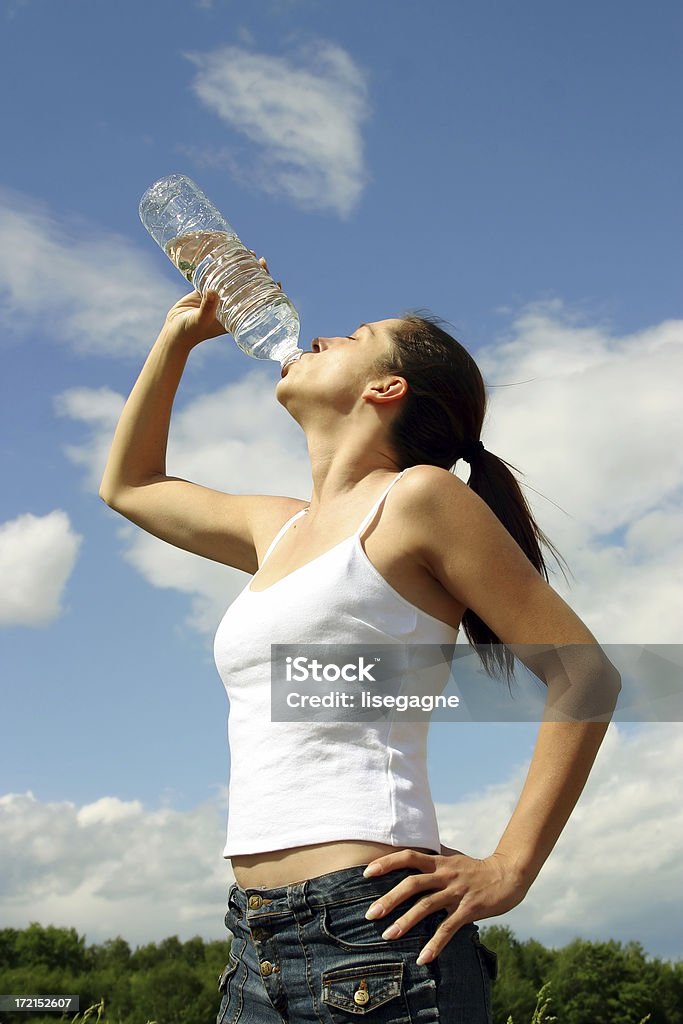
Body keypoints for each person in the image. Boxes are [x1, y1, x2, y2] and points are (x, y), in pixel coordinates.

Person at [99, 269, 621, 1024]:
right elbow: (131, 486)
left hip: (372, 933)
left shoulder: (418, 498)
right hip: (255, 940)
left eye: (355, 337)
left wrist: (510, 867)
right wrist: (176, 339)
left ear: (386, 389)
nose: (321, 335)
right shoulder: (275, 528)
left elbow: (586, 675)